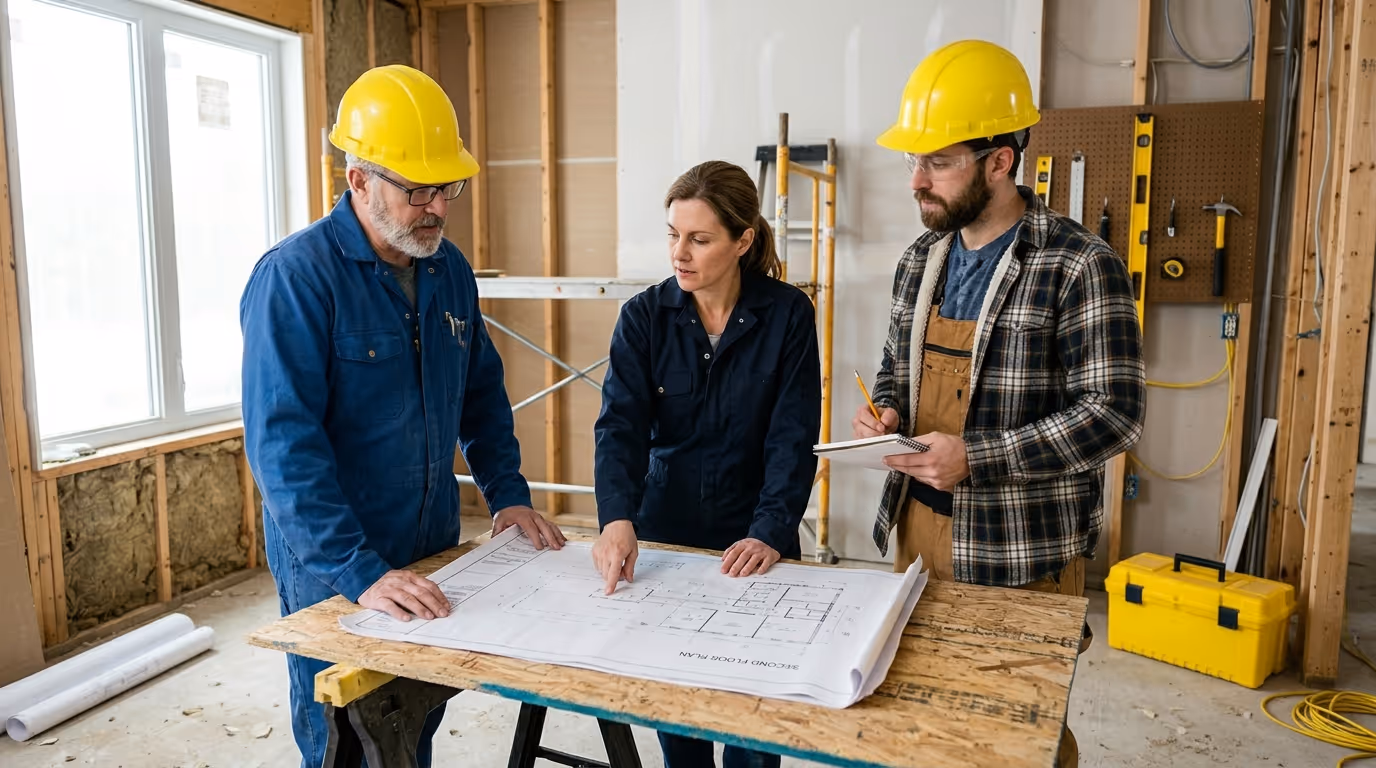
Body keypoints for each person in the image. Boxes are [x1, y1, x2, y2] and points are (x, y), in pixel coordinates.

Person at [240, 64, 566, 768]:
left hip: (428, 546)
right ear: (358, 179)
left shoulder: (447, 270)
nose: (436, 208)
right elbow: (283, 450)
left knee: (413, 723)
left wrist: (506, 496)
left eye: (446, 188)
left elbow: (480, 392)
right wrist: (361, 572)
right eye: (415, 189)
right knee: (348, 740)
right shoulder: (295, 279)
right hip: (336, 565)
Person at [853, 40, 1146, 768]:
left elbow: (1114, 412)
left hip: (1020, 550)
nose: (917, 180)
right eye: (912, 160)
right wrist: (885, 411)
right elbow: (897, 367)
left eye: (939, 161)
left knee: (1019, 738)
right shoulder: (922, 258)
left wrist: (976, 458)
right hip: (917, 533)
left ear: (1000, 161)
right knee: (922, 724)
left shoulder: (1079, 263)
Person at [591, 160, 822, 768]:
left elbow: (793, 437)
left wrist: (770, 532)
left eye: (699, 238)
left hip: (756, 538)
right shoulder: (643, 317)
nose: (679, 252)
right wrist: (617, 518)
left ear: (743, 241)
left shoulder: (789, 316)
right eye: (673, 234)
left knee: (752, 727)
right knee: (680, 718)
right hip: (669, 534)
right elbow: (620, 426)